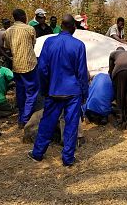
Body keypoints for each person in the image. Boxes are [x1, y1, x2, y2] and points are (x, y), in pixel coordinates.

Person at [28, 14, 89, 167]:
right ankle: (68, 159)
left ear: (61, 26)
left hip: (54, 90)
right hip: (73, 92)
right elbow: (82, 73)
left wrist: (45, 88)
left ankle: (37, 153)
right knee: (71, 124)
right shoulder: (79, 45)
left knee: (47, 122)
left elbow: (42, 69)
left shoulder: (49, 42)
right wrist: (84, 94)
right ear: (74, 27)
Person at [4, 9, 39, 128]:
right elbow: (33, 44)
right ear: (23, 16)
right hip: (29, 65)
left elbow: (7, 47)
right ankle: (25, 119)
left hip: (16, 65)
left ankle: (20, 118)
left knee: (20, 93)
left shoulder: (8, 31)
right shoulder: (29, 29)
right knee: (32, 92)